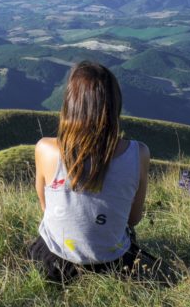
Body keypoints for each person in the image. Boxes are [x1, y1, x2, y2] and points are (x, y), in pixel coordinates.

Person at [27, 60, 156, 283]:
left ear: (70, 104)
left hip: (54, 264)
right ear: (114, 105)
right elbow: (133, 219)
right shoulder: (138, 153)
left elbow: (45, 207)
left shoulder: (45, 149)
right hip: (116, 266)